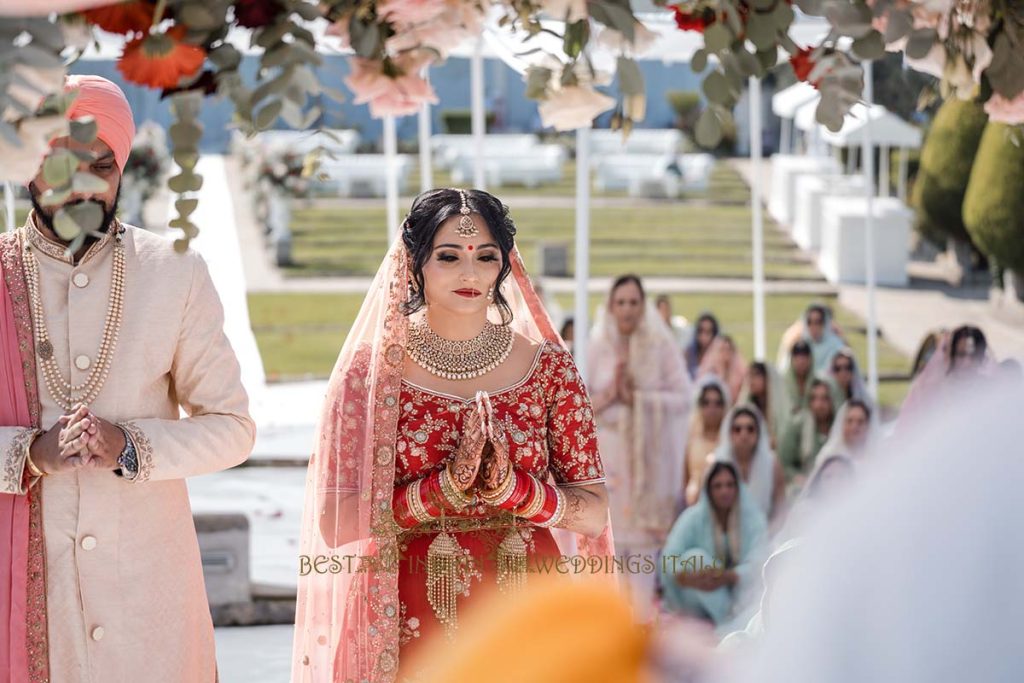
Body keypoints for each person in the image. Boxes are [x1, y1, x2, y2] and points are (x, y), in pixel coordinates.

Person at [292, 189, 614, 681]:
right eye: (448, 257)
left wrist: (516, 492)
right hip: (408, 613)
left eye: (485, 257)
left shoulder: (548, 368)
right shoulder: (372, 375)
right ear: (415, 263)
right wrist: (437, 492)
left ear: (502, 267)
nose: (470, 273)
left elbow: (593, 514)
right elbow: (334, 524)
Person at [0, 75, 256, 682]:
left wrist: (132, 446)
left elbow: (233, 428)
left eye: (100, 165)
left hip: (148, 595)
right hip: (26, 592)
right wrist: (26, 454)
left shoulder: (174, 272)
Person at [588, 274, 690, 620]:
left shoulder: (659, 347)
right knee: (608, 558)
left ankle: (644, 640)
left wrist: (641, 400)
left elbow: (683, 398)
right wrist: (611, 395)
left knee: (644, 565)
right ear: (611, 306)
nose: (627, 310)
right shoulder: (595, 347)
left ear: (642, 306)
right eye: (621, 302)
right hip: (609, 465)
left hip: (646, 468)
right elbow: (576, 405)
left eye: (634, 302)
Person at [659, 461, 768, 633]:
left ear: (738, 488)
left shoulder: (753, 519)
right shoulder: (694, 517)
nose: (724, 491)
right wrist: (686, 577)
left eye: (730, 485)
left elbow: (760, 562)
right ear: (708, 490)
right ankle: (728, 623)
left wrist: (728, 576)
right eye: (717, 486)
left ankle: (728, 622)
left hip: (740, 593)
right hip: (697, 595)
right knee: (696, 558)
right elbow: (668, 557)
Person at [714, 406, 785, 524]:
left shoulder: (772, 464)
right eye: (737, 429)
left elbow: (781, 510)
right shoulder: (717, 463)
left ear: (759, 433)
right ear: (729, 433)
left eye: (750, 429)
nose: (744, 434)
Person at [777, 380, 836, 486]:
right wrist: (796, 476)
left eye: (824, 399)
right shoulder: (796, 425)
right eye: (814, 399)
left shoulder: (840, 427)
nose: (819, 404)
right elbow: (783, 464)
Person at [685, 377, 730, 507]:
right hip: (693, 504)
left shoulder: (730, 441)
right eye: (706, 403)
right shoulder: (691, 441)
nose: (712, 408)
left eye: (717, 403)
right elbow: (685, 479)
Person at [777, 303, 846, 374]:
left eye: (818, 322)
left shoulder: (837, 345)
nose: (814, 326)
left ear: (825, 323)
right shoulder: (799, 344)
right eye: (810, 322)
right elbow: (784, 370)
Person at [737, 361, 789, 448]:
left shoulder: (781, 409)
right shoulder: (747, 406)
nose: (751, 380)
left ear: (768, 379)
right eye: (749, 376)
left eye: (756, 375)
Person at [697, 334, 747, 406]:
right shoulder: (709, 372)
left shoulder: (741, 374)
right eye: (722, 349)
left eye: (729, 349)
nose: (726, 353)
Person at [782, 341, 814, 420]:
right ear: (792, 359)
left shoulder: (817, 382)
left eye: (804, 356)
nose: (801, 361)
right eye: (797, 356)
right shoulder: (782, 382)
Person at [685, 312, 719, 379]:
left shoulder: (720, 355)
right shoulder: (688, 354)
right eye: (701, 331)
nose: (704, 336)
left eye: (708, 332)